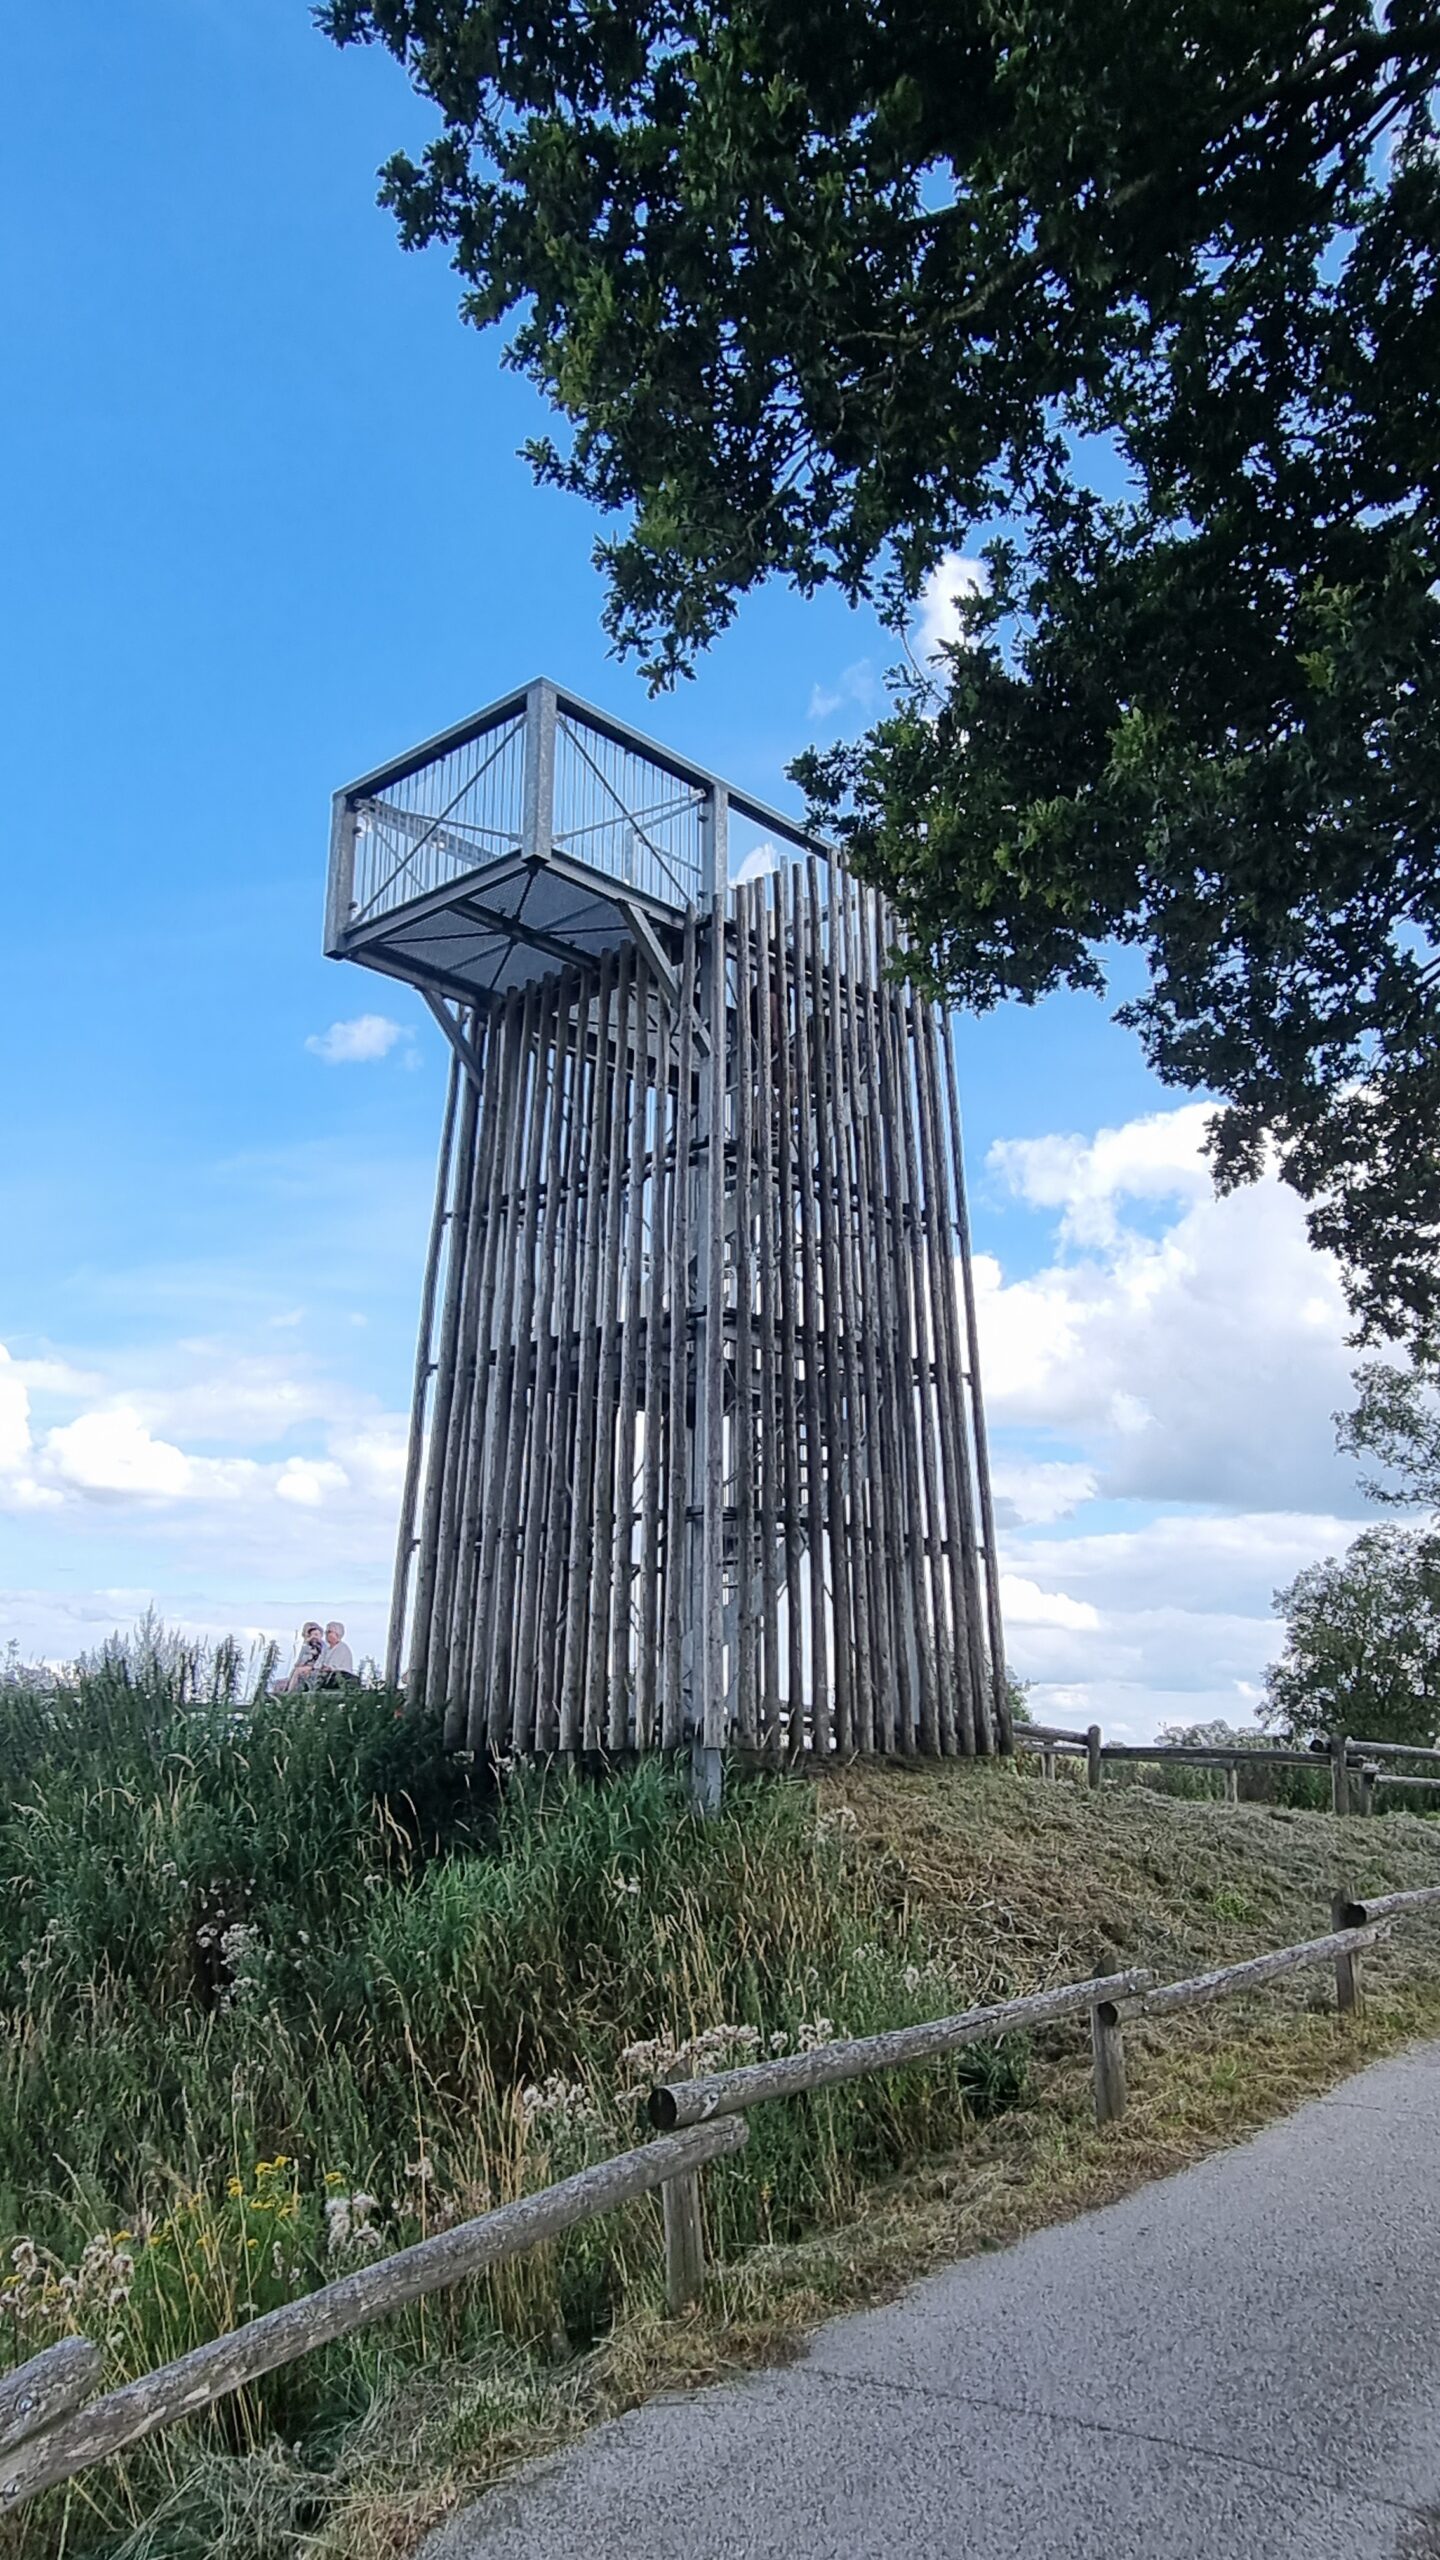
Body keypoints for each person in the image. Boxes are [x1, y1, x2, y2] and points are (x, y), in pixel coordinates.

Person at [280, 1622, 323, 1693]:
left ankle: (290, 1692)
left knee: (298, 1672)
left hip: (314, 1668)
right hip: (305, 1667)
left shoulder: (320, 1646)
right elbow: (299, 1661)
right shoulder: (307, 1646)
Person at [318, 1621, 355, 1685]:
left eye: (329, 1632)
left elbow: (331, 1667)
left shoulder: (342, 1648)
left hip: (339, 1678)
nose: (326, 1634)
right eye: (326, 1632)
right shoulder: (326, 1649)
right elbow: (318, 1664)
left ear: (337, 1634)